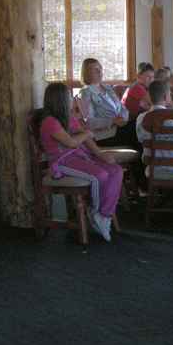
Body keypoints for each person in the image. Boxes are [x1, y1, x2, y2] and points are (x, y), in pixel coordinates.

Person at [38, 82, 123, 242]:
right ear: (61, 100)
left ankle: (104, 214)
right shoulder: (49, 122)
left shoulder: (68, 117)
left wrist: (100, 154)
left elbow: (84, 136)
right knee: (100, 175)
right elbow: (71, 142)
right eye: (69, 96)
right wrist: (87, 134)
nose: (72, 99)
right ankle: (96, 212)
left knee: (115, 170)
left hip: (78, 156)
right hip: (62, 161)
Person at [78, 58, 134, 146]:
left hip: (119, 128)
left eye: (100, 68)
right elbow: (89, 122)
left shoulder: (108, 88)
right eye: (95, 69)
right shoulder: (85, 92)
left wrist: (123, 119)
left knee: (138, 124)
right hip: (103, 135)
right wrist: (113, 121)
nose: (99, 71)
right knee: (134, 129)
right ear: (87, 73)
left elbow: (122, 108)